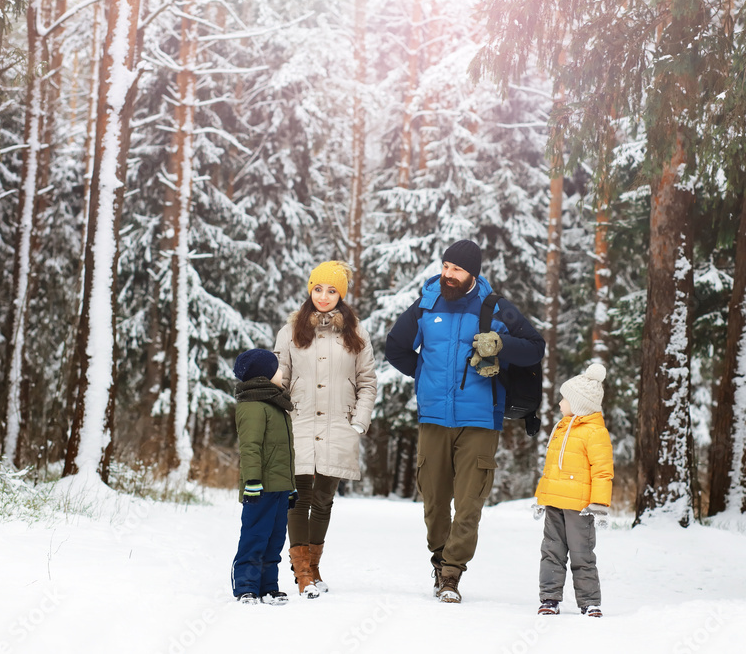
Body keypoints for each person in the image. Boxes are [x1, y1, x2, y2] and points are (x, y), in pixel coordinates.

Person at [385, 239, 546, 603]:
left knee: (469, 501)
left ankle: (452, 574)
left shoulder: (495, 307)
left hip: (480, 420)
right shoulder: (427, 303)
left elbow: (535, 347)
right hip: (434, 418)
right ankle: (439, 558)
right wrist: (424, 375)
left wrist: (501, 346)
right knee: (434, 501)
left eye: (456, 269)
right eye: (445, 267)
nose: (448, 275)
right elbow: (395, 346)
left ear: (472, 273)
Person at [274, 260, 377, 598]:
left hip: (339, 425)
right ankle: (302, 572)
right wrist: (278, 420)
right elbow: (280, 379)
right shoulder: (290, 330)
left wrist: (358, 422)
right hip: (300, 424)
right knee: (298, 499)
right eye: (318, 288)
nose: (323, 296)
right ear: (310, 289)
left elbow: (367, 382)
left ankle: (314, 567)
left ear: (341, 295)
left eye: (332, 290)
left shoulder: (356, 332)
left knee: (323, 500)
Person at [532, 363, 613, 617]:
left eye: (564, 399)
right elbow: (551, 467)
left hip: (580, 507)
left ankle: (590, 601)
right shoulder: (561, 427)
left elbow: (602, 470)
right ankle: (549, 598)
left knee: (582, 554)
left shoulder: (595, 432)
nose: (559, 404)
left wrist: (599, 504)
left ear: (579, 403)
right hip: (555, 501)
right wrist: (542, 497)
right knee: (551, 551)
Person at [230, 348, 298, 606]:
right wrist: (252, 481)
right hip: (259, 488)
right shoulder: (253, 406)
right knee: (255, 536)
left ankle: (269, 586)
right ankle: (246, 586)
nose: (281, 373)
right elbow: (251, 447)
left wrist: (290, 486)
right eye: (277, 369)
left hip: (280, 487)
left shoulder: (277, 405)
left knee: (275, 537)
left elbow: (285, 453)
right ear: (263, 376)